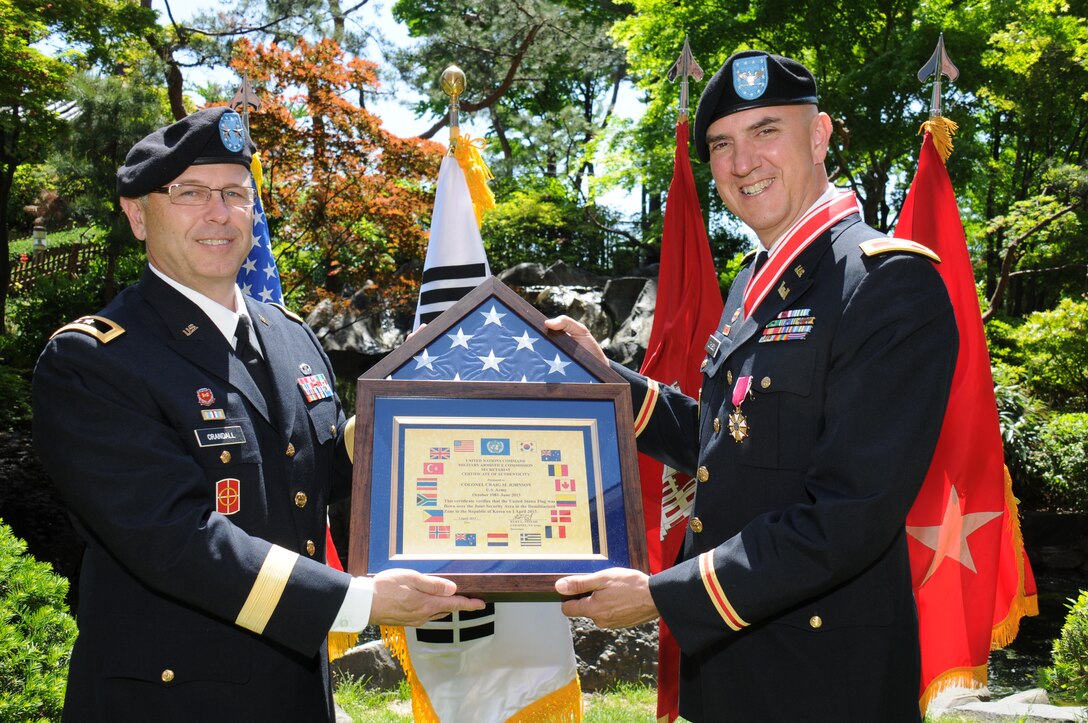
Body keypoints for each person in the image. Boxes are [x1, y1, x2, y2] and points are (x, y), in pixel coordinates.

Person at [32, 106, 483, 723]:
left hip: (296, 691)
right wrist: (356, 602)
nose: (218, 213)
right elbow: (172, 539)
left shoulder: (291, 336)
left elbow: (324, 482)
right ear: (138, 216)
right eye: (189, 193)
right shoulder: (93, 360)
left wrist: (428, 470)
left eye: (234, 193)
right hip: (170, 701)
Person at [547, 50, 959, 721]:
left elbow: (846, 516)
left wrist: (661, 593)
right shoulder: (755, 280)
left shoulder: (887, 284)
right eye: (721, 144)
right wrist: (603, 378)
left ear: (820, 134)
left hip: (823, 684)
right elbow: (727, 439)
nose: (743, 163)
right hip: (731, 670)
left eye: (767, 131)